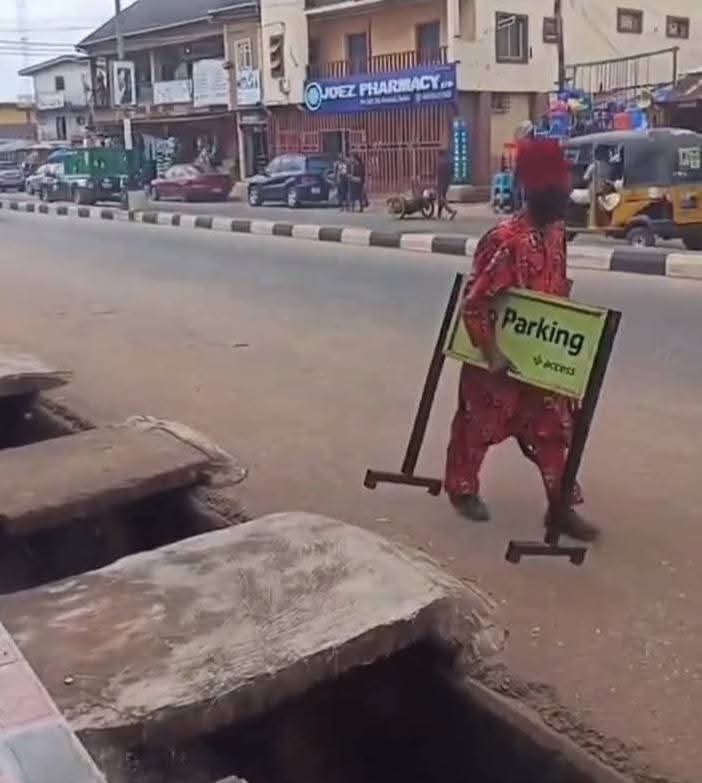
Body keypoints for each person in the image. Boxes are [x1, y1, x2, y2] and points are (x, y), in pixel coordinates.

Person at [444, 138, 599, 543]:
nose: (564, 195)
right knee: (477, 429)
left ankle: (559, 509)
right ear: (534, 191)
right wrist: (492, 354)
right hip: (497, 357)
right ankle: (462, 490)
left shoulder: (557, 233)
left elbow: (557, 287)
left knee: (553, 431)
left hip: (540, 357)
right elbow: (474, 304)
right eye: (556, 189)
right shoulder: (504, 241)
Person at [436, 149, 457, 220]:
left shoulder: (440, 162)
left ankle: (451, 211)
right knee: (442, 197)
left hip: (441, 182)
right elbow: (452, 172)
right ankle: (439, 214)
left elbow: (438, 173)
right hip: (447, 182)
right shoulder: (448, 162)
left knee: (441, 198)